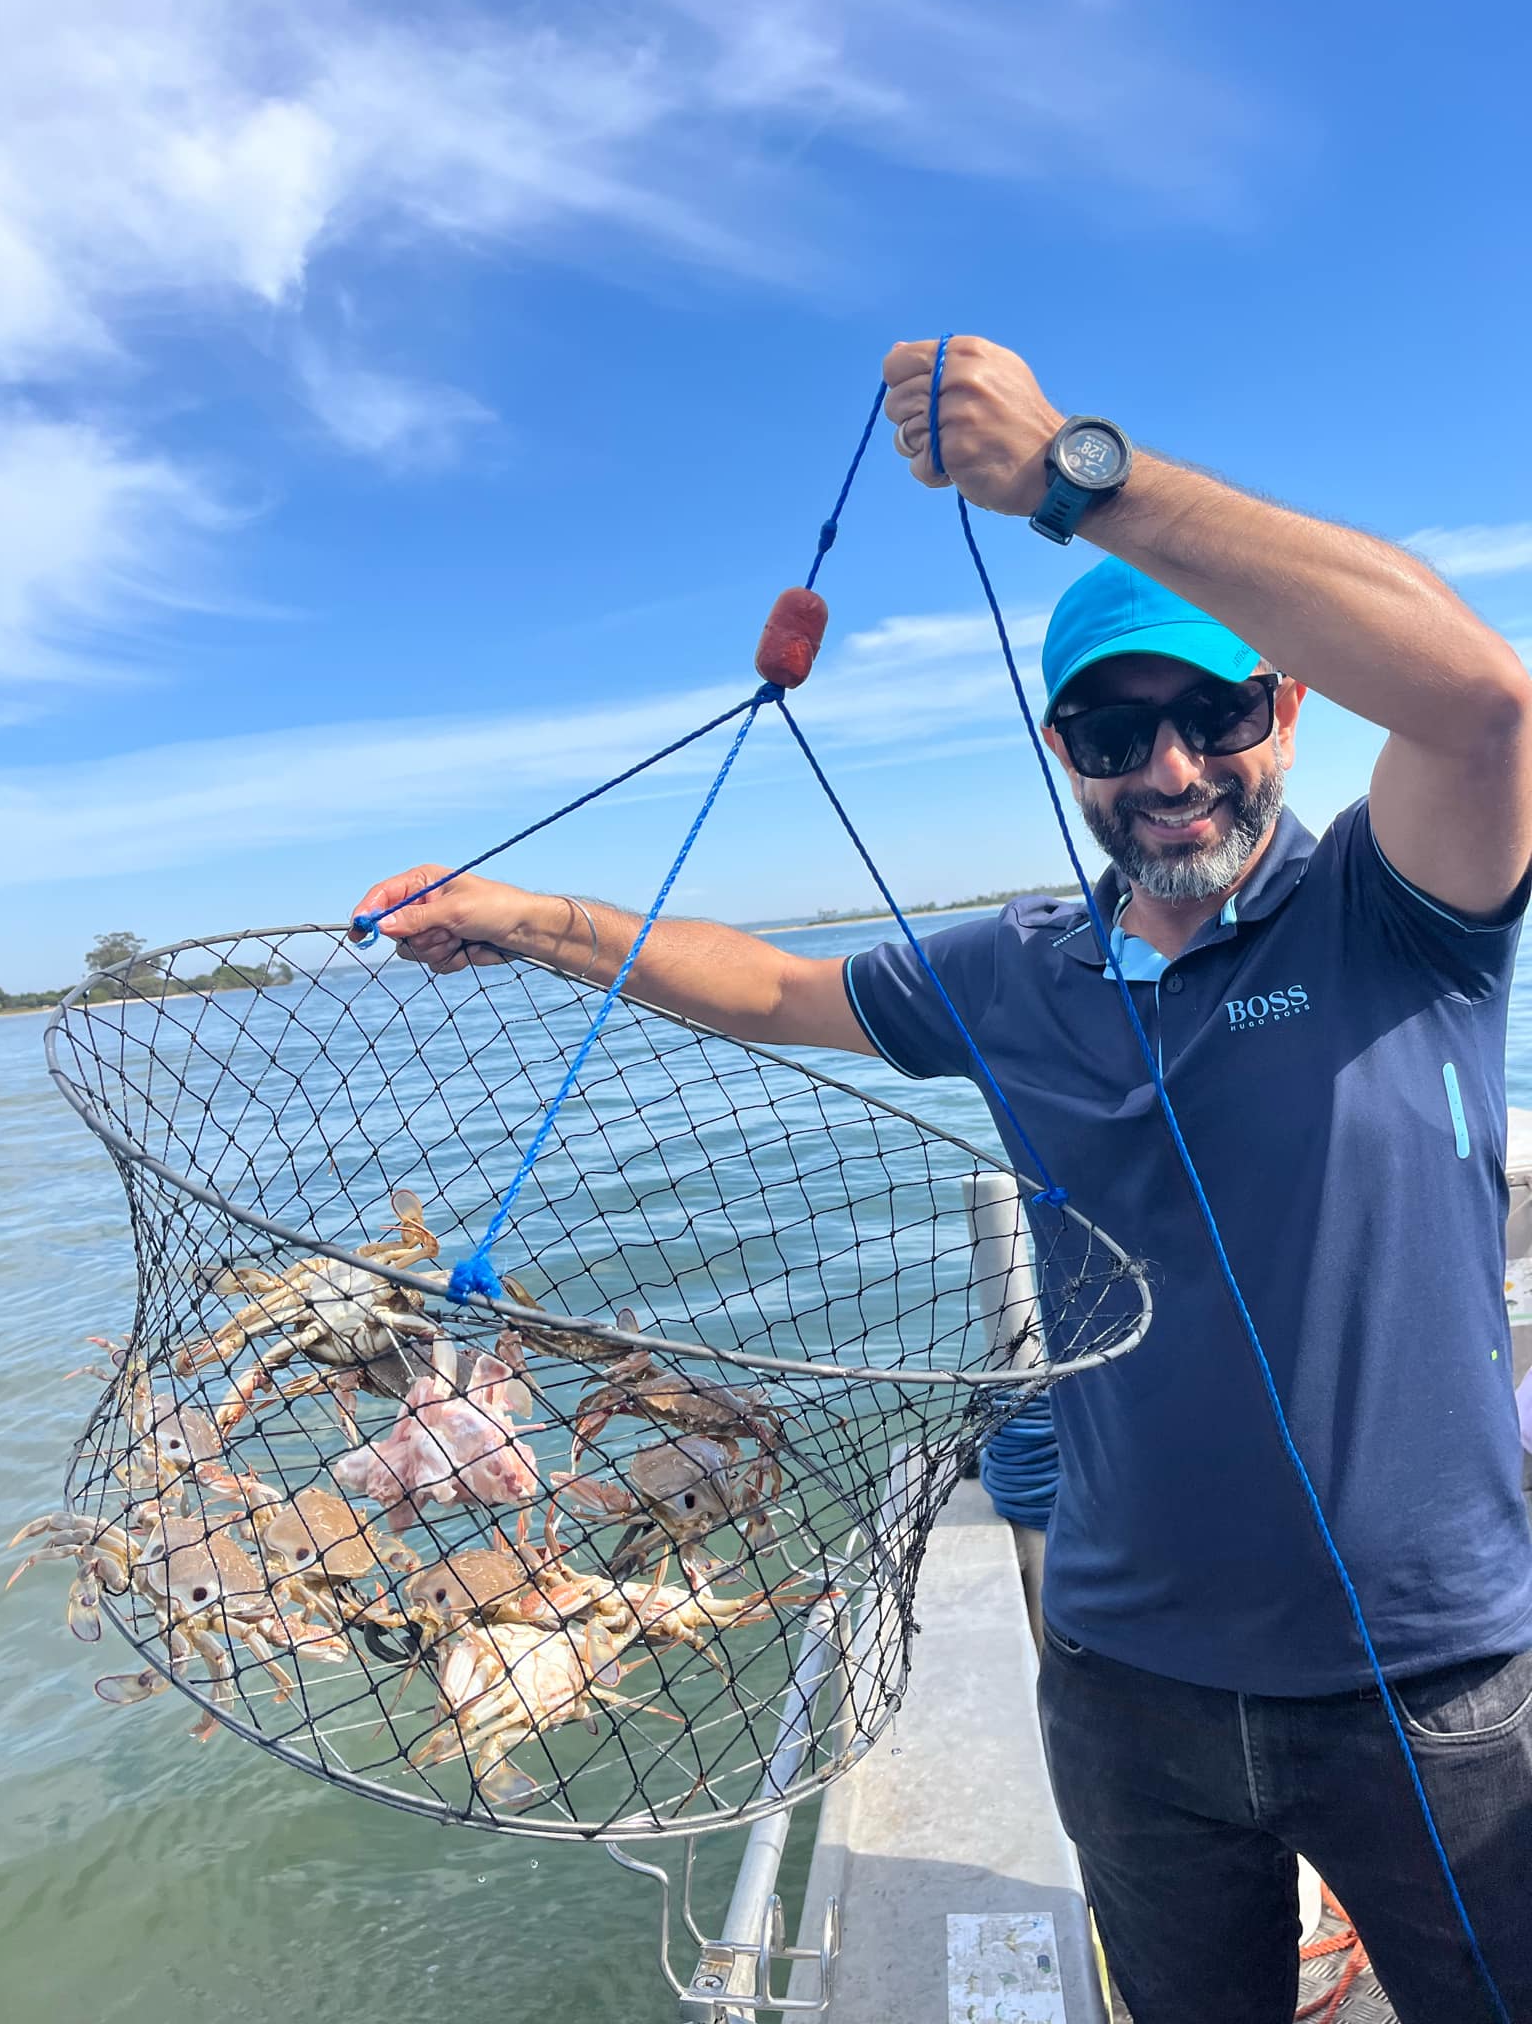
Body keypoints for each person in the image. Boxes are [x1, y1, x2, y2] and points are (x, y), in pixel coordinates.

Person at [353, 335, 1532, 2023]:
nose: (1173, 769)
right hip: (1131, 1690)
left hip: (1433, 1688)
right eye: (1115, 735)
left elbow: (1484, 695)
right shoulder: (1021, 969)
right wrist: (528, 919)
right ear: (1065, 753)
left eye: (1216, 712)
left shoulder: (1399, 906)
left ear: (1286, 709)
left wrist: (1076, 475)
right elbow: (768, 986)